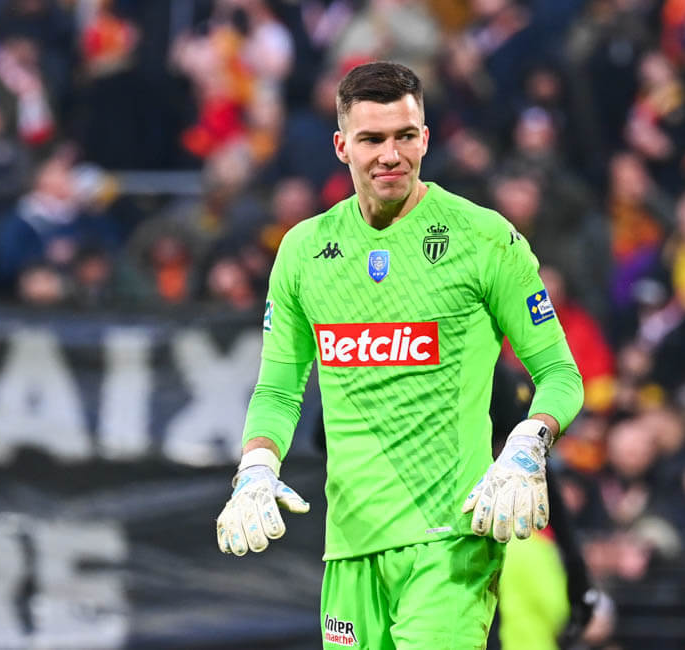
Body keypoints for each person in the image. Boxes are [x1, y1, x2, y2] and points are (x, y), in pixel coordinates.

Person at [214, 61, 584, 649]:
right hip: (350, 547)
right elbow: (279, 390)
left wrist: (527, 443)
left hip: (450, 542)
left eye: (405, 136)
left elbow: (560, 374)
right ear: (342, 146)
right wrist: (257, 466)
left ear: (425, 138)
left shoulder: (484, 239)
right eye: (372, 139)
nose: (391, 155)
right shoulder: (303, 252)